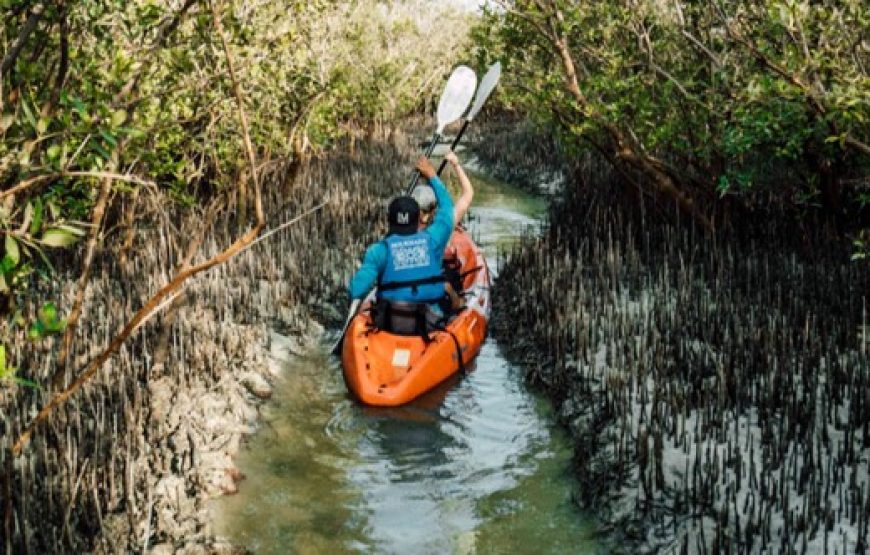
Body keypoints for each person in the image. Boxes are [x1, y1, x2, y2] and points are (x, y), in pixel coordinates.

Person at [347, 156, 455, 333]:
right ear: (418, 219)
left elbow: (356, 291)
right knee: (450, 303)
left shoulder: (379, 250)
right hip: (430, 322)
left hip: (391, 323)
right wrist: (432, 175)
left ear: (389, 221)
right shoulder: (433, 239)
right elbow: (448, 208)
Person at [411, 150, 473, 309]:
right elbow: (467, 196)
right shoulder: (440, 230)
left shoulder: (398, 233)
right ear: (428, 215)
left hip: (403, 301)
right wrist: (455, 165)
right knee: (446, 286)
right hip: (429, 306)